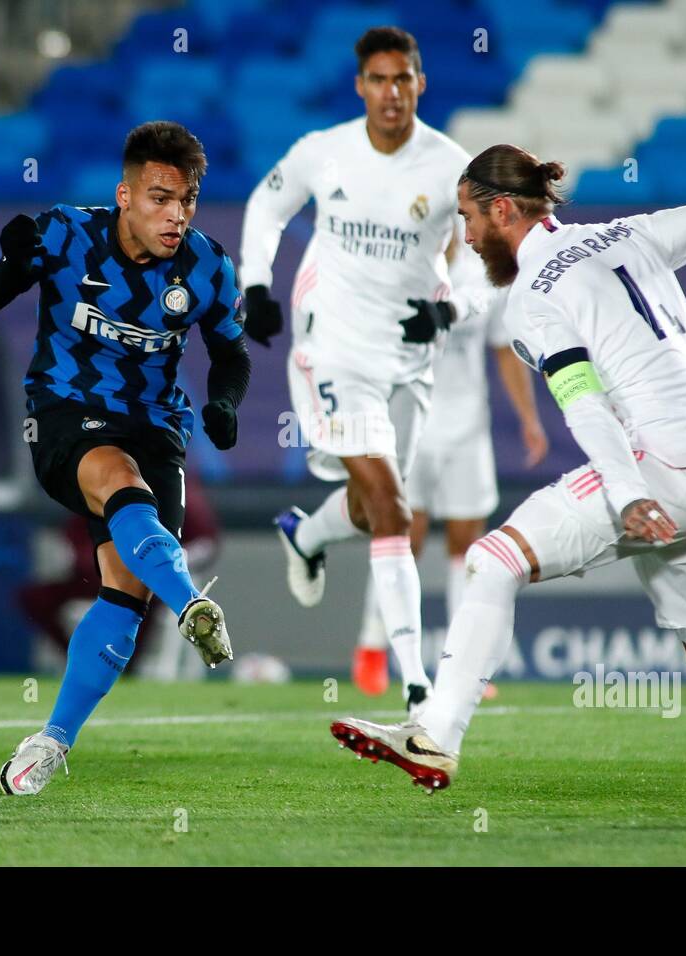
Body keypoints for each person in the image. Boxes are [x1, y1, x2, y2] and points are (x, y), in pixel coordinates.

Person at [331, 125, 686, 822]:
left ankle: (435, 734)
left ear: (502, 210)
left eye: (466, 215)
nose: (465, 231)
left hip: (657, 469)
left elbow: (582, 400)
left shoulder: (532, 296)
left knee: (493, 559)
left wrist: (629, 491)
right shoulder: (629, 234)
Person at [0, 120, 251, 795]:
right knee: (114, 476)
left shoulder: (207, 264)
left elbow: (232, 350)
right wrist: (11, 264)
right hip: (68, 411)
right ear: (124, 196)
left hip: (157, 426)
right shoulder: (67, 233)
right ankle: (191, 606)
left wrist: (226, 403)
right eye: (159, 198)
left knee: (123, 596)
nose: (175, 215)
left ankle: (51, 741)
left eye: (185, 200)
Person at [239, 26, 495, 716]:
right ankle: (417, 685)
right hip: (333, 347)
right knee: (391, 507)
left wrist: (450, 312)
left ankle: (308, 532)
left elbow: (481, 254)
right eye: (378, 80)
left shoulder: (450, 166)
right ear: (360, 86)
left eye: (402, 79)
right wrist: (255, 282)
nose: (391, 92)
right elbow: (268, 202)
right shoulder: (326, 152)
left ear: (420, 84)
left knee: (366, 506)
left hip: (410, 356)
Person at [354, 248, 547, 695]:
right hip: (410, 422)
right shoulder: (403, 261)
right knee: (406, 535)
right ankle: (371, 646)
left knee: (469, 542)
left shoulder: (487, 271)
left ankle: (463, 662)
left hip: (468, 428)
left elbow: (503, 349)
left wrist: (529, 417)